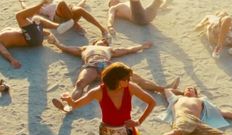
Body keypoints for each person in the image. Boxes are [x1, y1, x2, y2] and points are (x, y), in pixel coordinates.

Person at [48, 34, 180, 110]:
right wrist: (56, 43)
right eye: (103, 40)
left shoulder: (110, 50)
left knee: (135, 78)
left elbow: (127, 50)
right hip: (91, 65)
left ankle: (164, 89)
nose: (104, 41)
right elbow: (65, 48)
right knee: (80, 83)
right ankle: (68, 106)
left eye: (106, 41)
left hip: (107, 66)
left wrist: (142, 46)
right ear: (95, 41)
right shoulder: (85, 48)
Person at [0, 0, 60, 69]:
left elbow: (22, 31)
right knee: (19, 16)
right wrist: (12, 60)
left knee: (35, 18)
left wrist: (48, 34)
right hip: (31, 40)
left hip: (33, 36)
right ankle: (43, 3)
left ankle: (58, 26)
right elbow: (3, 51)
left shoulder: (3, 32)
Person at [18, 0, 108, 36]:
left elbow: (78, 6)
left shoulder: (56, 1)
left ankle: (102, 29)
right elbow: (26, 9)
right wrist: (21, 1)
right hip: (59, 18)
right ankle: (75, 24)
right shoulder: (41, 6)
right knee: (62, 3)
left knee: (79, 9)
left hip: (69, 13)